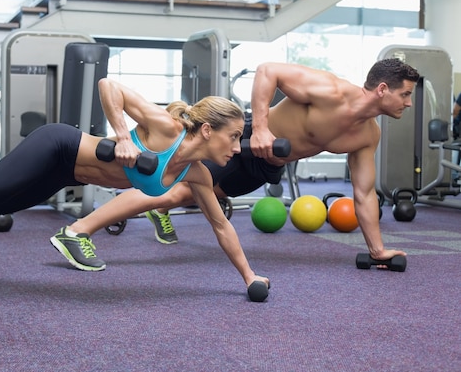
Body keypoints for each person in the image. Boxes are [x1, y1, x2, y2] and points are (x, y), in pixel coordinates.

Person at [0, 77, 270, 311]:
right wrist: (124, 136)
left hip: (66, 176)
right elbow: (111, 86)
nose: (237, 148)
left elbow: (221, 227)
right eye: (234, 137)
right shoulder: (165, 127)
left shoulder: (195, 174)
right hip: (57, 146)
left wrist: (249, 276)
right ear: (207, 130)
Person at [53, 58, 420, 271]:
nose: (408, 103)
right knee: (178, 189)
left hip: (265, 168)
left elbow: (364, 192)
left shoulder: (367, 136)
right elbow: (267, 72)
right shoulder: (330, 91)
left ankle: (156, 211)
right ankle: (78, 231)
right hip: (241, 142)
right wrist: (260, 128)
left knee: (195, 195)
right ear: (383, 90)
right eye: (405, 94)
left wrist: (377, 250)